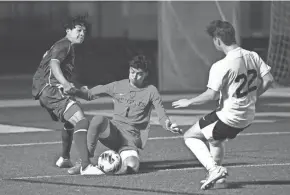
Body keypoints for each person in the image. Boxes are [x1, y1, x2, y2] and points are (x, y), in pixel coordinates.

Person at [172, 20, 274, 190]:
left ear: (218, 40)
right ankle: (218, 179)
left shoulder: (221, 65)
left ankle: (214, 169)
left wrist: (188, 102)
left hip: (229, 116)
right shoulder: (252, 55)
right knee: (215, 140)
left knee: (190, 136)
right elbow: (269, 80)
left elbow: (211, 95)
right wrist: (253, 97)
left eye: (213, 39)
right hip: (248, 115)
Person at [68, 54, 182, 175]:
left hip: (130, 140)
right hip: (113, 133)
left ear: (146, 74)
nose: (135, 76)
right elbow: (89, 95)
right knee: (98, 119)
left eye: (140, 74)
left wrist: (168, 124)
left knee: (132, 166)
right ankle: (85, 162)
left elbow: (161, 113)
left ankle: (118, 164)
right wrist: (73, 91)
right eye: (132, 72)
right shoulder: (117, 86)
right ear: (129, 70)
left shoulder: (151, 91)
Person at [32, 15, 102, 175]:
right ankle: (85, 165)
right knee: (81, 120)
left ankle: (64, 158)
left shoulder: (61, 46)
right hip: (51, 90)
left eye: (84, 31)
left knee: (70, 122)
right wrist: (63, 83)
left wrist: (77, 91)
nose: (82, 34)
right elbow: (53, 64)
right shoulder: (65, 44)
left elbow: (48, 70)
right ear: (68, 31)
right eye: (78, 30)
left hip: (46, 91)